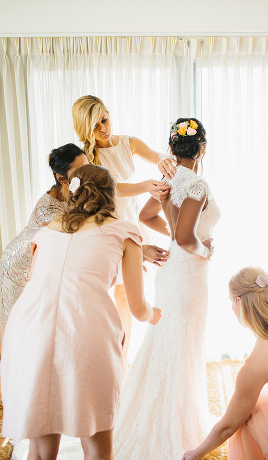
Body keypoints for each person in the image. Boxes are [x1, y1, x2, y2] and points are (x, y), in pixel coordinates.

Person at [0, 164, 160, 460]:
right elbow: (138, 308)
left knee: (40, 448)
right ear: (111, 195)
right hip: (85, 327)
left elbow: (40, 283)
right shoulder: (125, 231)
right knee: (97, 444)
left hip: (28, 329)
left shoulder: (47, 231)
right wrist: (155, 314)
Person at [113, 118, 221, 459]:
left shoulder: (168, 178)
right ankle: (175, 424)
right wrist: (206, 250)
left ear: (172, 149)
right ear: (202, 148)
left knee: (166, 342)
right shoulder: (197, 185)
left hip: (172, 271)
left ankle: (150, 414)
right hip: (188, 274)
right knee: (183, 343)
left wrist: (176, 239)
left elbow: (147, 218)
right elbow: (187, 238)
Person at [72, 95, 172, 361]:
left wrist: (162, 159)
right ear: (85, 129)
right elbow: (112, 188)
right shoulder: (86, 158)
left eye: (104, 119)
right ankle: (108, 354)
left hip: (132, 218)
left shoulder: (128, 142)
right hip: (107, 222)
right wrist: (144, 186)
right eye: (95, 125)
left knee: (127, 294)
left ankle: (122, 359)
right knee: (110, 293)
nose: (103, 128)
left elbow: (153, 154)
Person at [182, 267, 268, 460]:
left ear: (238, 302)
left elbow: (228, 426)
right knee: (260, 398)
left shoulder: (256, 365)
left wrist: (196, 453)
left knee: (248, 412)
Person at [1, 144, 88, 347]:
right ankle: (7, 375)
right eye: (79, 170)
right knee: (15, 327)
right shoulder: (47, 209)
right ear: (61, 178)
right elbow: (81, 234)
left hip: (40, 263)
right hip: (16, 266)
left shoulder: (77, 192)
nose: (87, 174)